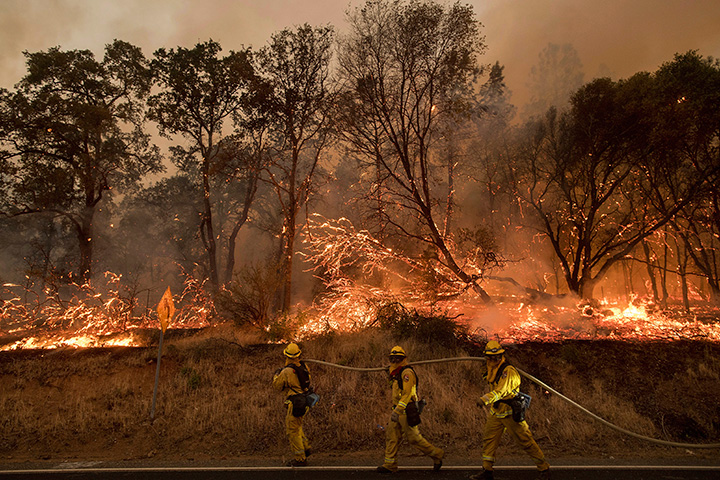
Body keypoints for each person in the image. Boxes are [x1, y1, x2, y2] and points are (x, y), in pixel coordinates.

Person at [471, 340, 550, 480]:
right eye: (490, 357)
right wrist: (484, 368)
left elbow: (500, 392)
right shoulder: (492, 367)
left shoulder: (509, 372)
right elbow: (489, 379)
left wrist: (484, 399)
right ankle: (487, 471)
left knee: (525, 439)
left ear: (501, 355)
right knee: (489, 439)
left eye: (497, 357)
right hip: (496, 412)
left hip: (510, 412)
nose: (494, 359)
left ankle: (544, 468)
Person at [377, 345, 444, 474]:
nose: (395, 361)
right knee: (392, 437)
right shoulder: (396, 373)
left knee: (414, 439)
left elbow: (407, 394)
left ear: (403, 359)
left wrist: (397, 411)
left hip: (406, 411)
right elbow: (395, 389)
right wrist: (390, 374)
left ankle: (437, 455)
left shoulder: (407, 373)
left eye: (398, 359)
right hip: (397, 410)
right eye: (392, 359)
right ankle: (390, 465)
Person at [272, 342, 314, 467]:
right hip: (305, 401)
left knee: (292, 431)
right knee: (298, 426)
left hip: (295, 403)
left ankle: (300, 458)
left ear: (286, 355)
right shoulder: (304, 366)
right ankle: (306, 448)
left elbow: (277, 386)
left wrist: (276, 375)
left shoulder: (287, 372)